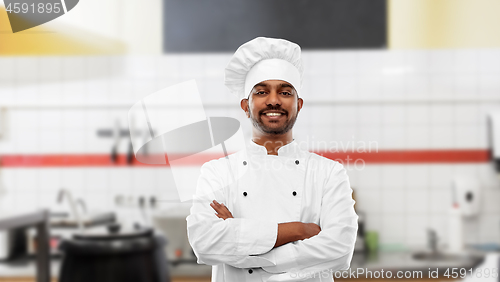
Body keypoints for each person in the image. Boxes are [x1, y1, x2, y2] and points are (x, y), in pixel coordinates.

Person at [186, 37, 358, 282]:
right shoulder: (217, 172)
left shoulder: (329, 173)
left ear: (298, 105)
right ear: (246, 106)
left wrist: (244, 244)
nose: (274, 100)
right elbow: (204, 243)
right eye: (262, 91)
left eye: (285, 92)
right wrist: (299, 230)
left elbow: (340, 250)